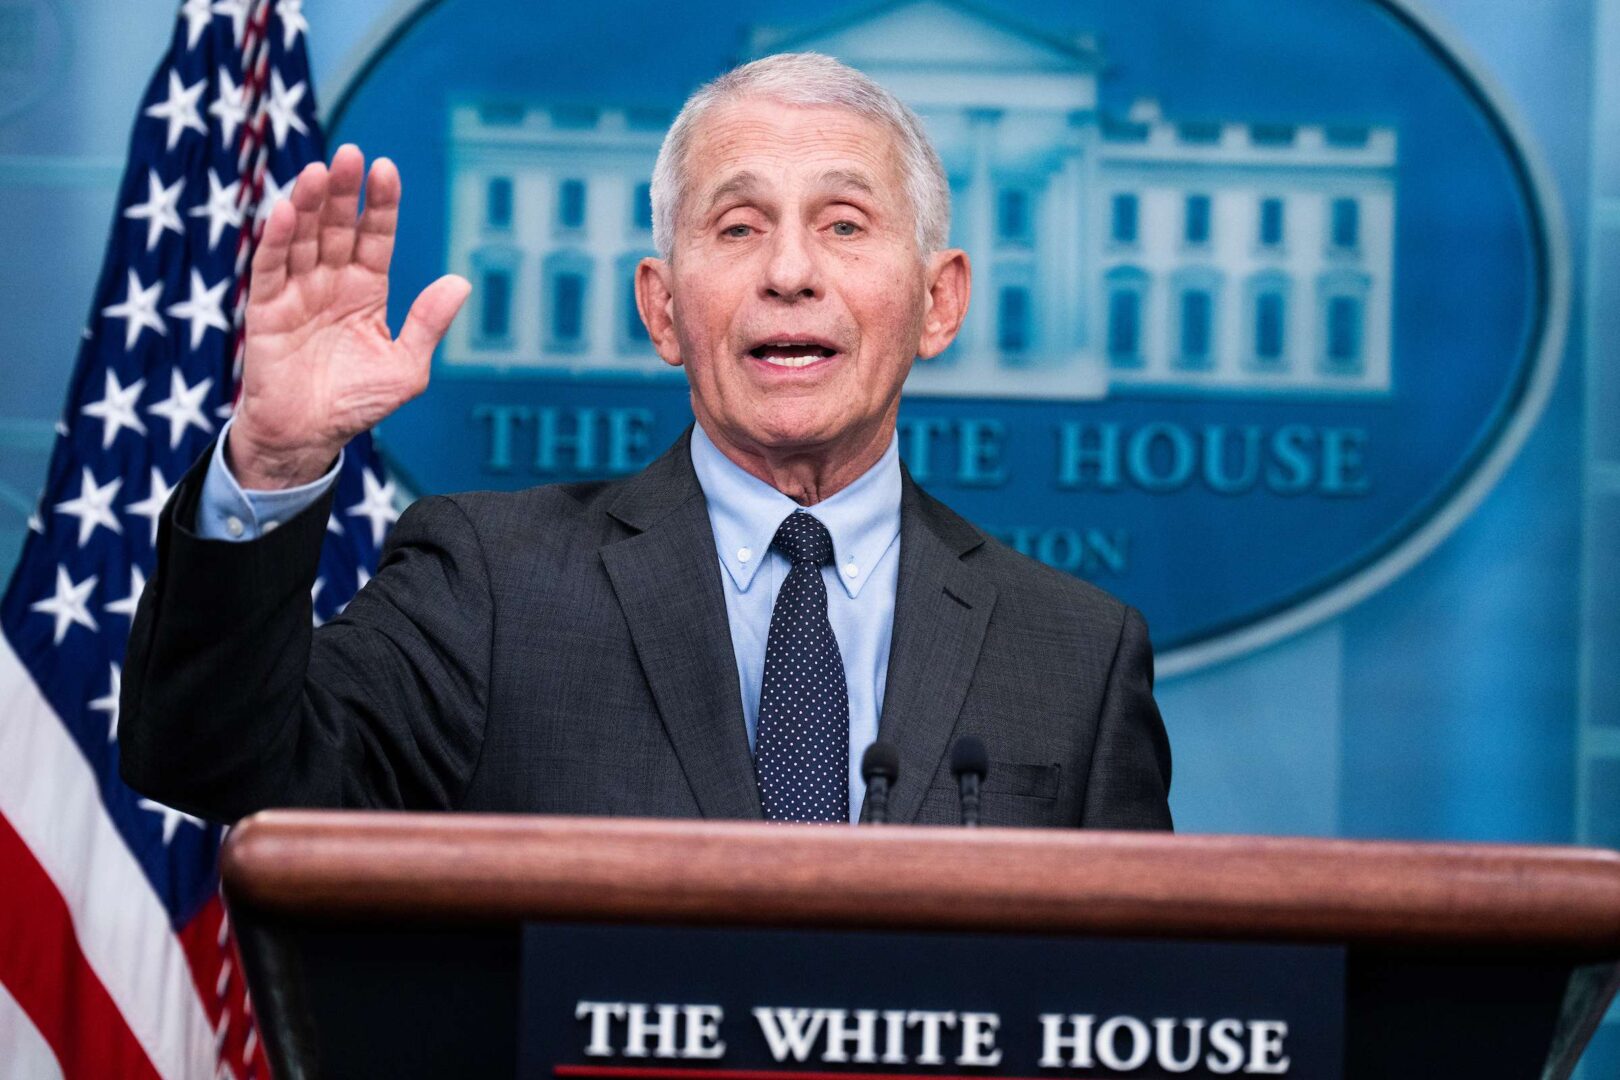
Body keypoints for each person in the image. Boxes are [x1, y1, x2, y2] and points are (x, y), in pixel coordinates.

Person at [120, 53, 1171, 829]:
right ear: (663, 310)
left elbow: (1146, 1000)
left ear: (939, 304)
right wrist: (274, 462)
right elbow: (221, 768)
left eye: (845, 224)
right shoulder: (490, 584)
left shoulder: (1076, 652)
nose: (790, 272)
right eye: (738, 226)